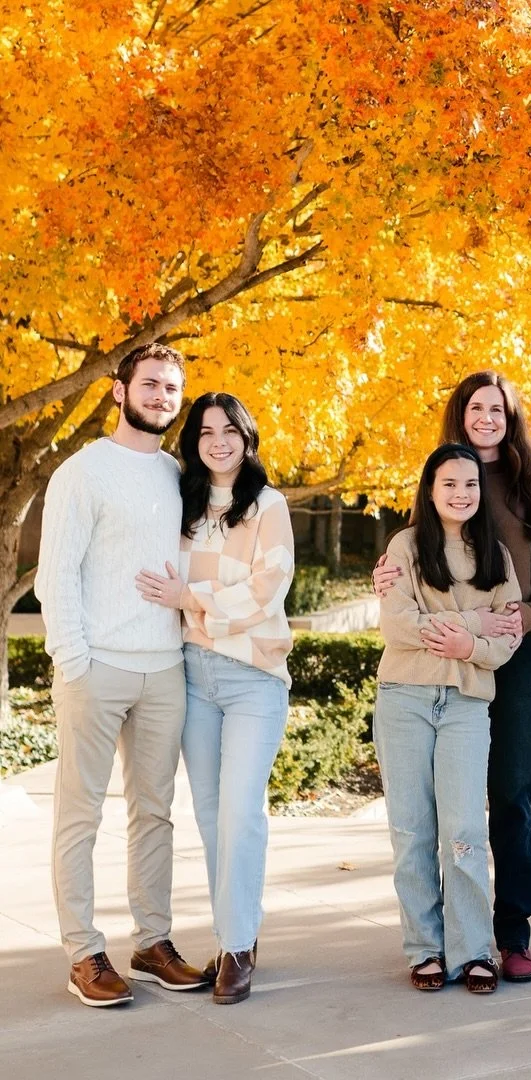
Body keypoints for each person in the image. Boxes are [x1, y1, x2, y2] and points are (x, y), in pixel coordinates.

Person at [374, 371, 531, 982]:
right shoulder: (443, 475)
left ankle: (507, 933)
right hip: (434, 666)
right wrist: (459, 620)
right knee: (434, 814)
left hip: (509, 652)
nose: (487, 417)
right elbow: (408, 574)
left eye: (498, 409)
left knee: (510, 795)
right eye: (475, 407)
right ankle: (432, 939)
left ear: (511, 418)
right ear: (460, 415)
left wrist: (513, 620)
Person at [35, 342, 209, 1007]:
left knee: (155, 814)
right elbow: (58, 576)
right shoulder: (83, 473)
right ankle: (83, 951)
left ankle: (153, 941)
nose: (163, 396)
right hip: (96, 669)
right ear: (119, 390)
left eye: (172, 388)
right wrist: (73, 662)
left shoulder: (175, 475)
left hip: (164, 670)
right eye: (152, 384)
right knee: (79, 816)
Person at [134, 393, 295, 1005]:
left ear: (247, 438)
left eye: (230, 431)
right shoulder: (183, 503)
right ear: (193, 442)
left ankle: (236, 949)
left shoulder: (269, 506)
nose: (218, 441)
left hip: (253, 677)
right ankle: (237, 935)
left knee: (239, 812)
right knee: (208, 817)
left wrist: (190, 599)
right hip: (193, 676)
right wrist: (188, 603)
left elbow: (265, 594)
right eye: (205, 432)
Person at [374, 444, 522, 993]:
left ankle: (474, 950)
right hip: (405, 699)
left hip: (466, 704)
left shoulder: (495, 555)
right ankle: (424, 948)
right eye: (449, 484)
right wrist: (470, 622)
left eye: (470, 485)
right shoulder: (406, 546)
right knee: (412, 830)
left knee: (464, 830)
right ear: (430, 489)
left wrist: (470, 646)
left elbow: (506, 638)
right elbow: (398, 626)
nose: (461, 494)